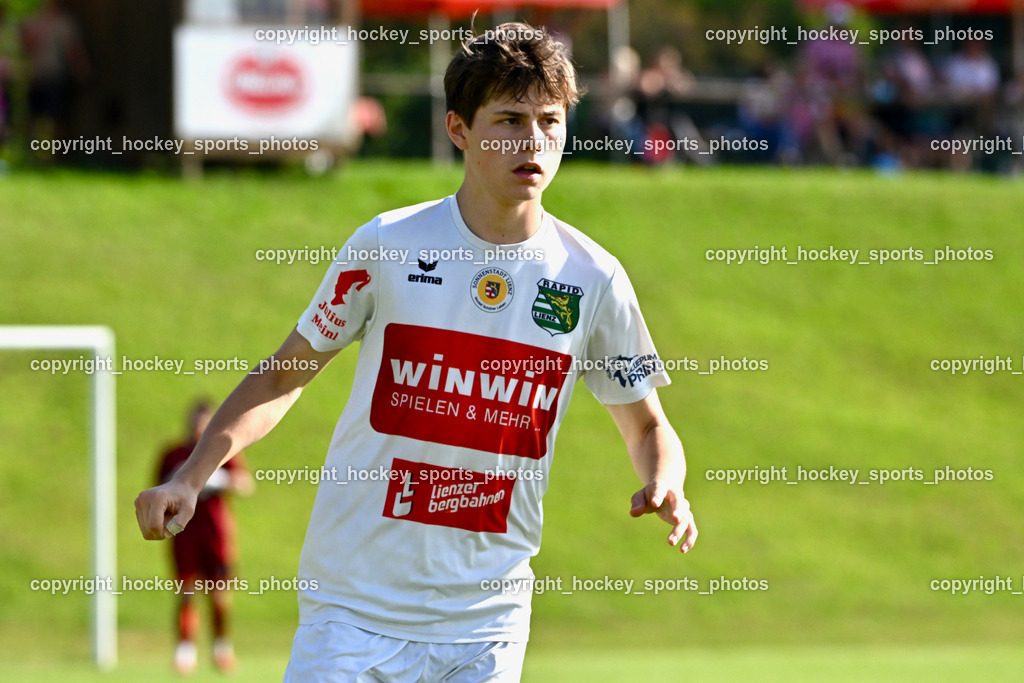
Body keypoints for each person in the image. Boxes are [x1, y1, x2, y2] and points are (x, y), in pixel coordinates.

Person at [136, 22, 697, 681]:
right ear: (459, 129)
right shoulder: (389, 245)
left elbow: (647, 426)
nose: (533, 140)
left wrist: (666, 479)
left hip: (486, 622)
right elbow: (284, 375)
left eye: (550, 121)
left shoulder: (592, 277)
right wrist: (191, 475)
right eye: (509, 120)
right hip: (354, 612)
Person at [155, 399, 254, 674]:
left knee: (220, 593)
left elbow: (245, 484)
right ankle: (185, 652)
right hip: (184, 531)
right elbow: (157, 488)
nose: (198, 426)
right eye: (195, 420)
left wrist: (219, 480)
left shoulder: (223, 450)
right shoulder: (174, 454)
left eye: (204, 421)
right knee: (186, 592)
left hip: (215, 531)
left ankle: (222, 648)